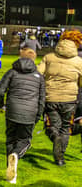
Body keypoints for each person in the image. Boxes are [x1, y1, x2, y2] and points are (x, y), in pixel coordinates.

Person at [0, 48, 45, 184]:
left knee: (10, 140)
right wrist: (38, 115)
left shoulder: (11, 72)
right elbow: (42, 99)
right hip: (29, 112)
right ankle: (16, 156)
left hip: (12, 111)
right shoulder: (39, 77)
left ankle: (11, 173)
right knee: (25, 141)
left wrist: (0, 105)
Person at [37, 30, 82, 166]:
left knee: (52, 125)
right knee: (66, 127)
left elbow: (38, 75)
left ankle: (55, 137)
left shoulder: (49, 57)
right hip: (69, 99)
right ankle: (60, 158)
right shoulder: (79, 61)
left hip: (50, 98)